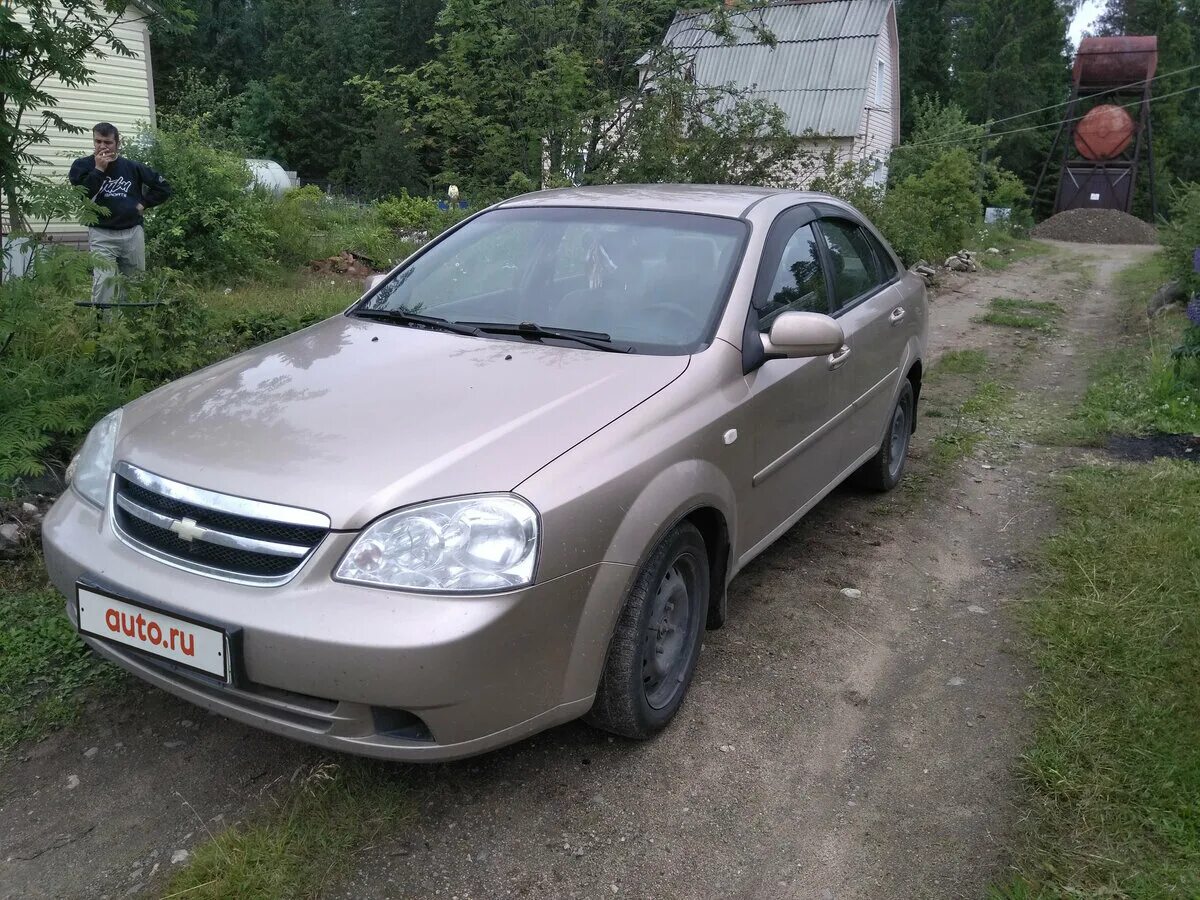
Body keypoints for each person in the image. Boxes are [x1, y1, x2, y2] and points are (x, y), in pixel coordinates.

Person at [68, 122, 172, 306]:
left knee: (134, 283)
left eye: (107, 142)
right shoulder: (82, 165)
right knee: (104, 282)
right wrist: (99, 169)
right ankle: (103, 327)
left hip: (132, 232)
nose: (102, 146)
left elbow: (163, 187)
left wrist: (144, 203)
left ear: (117, 143)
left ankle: (130, 325)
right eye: (98, 141)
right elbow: (83, 193)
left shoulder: (132, 167)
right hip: (101, 233)